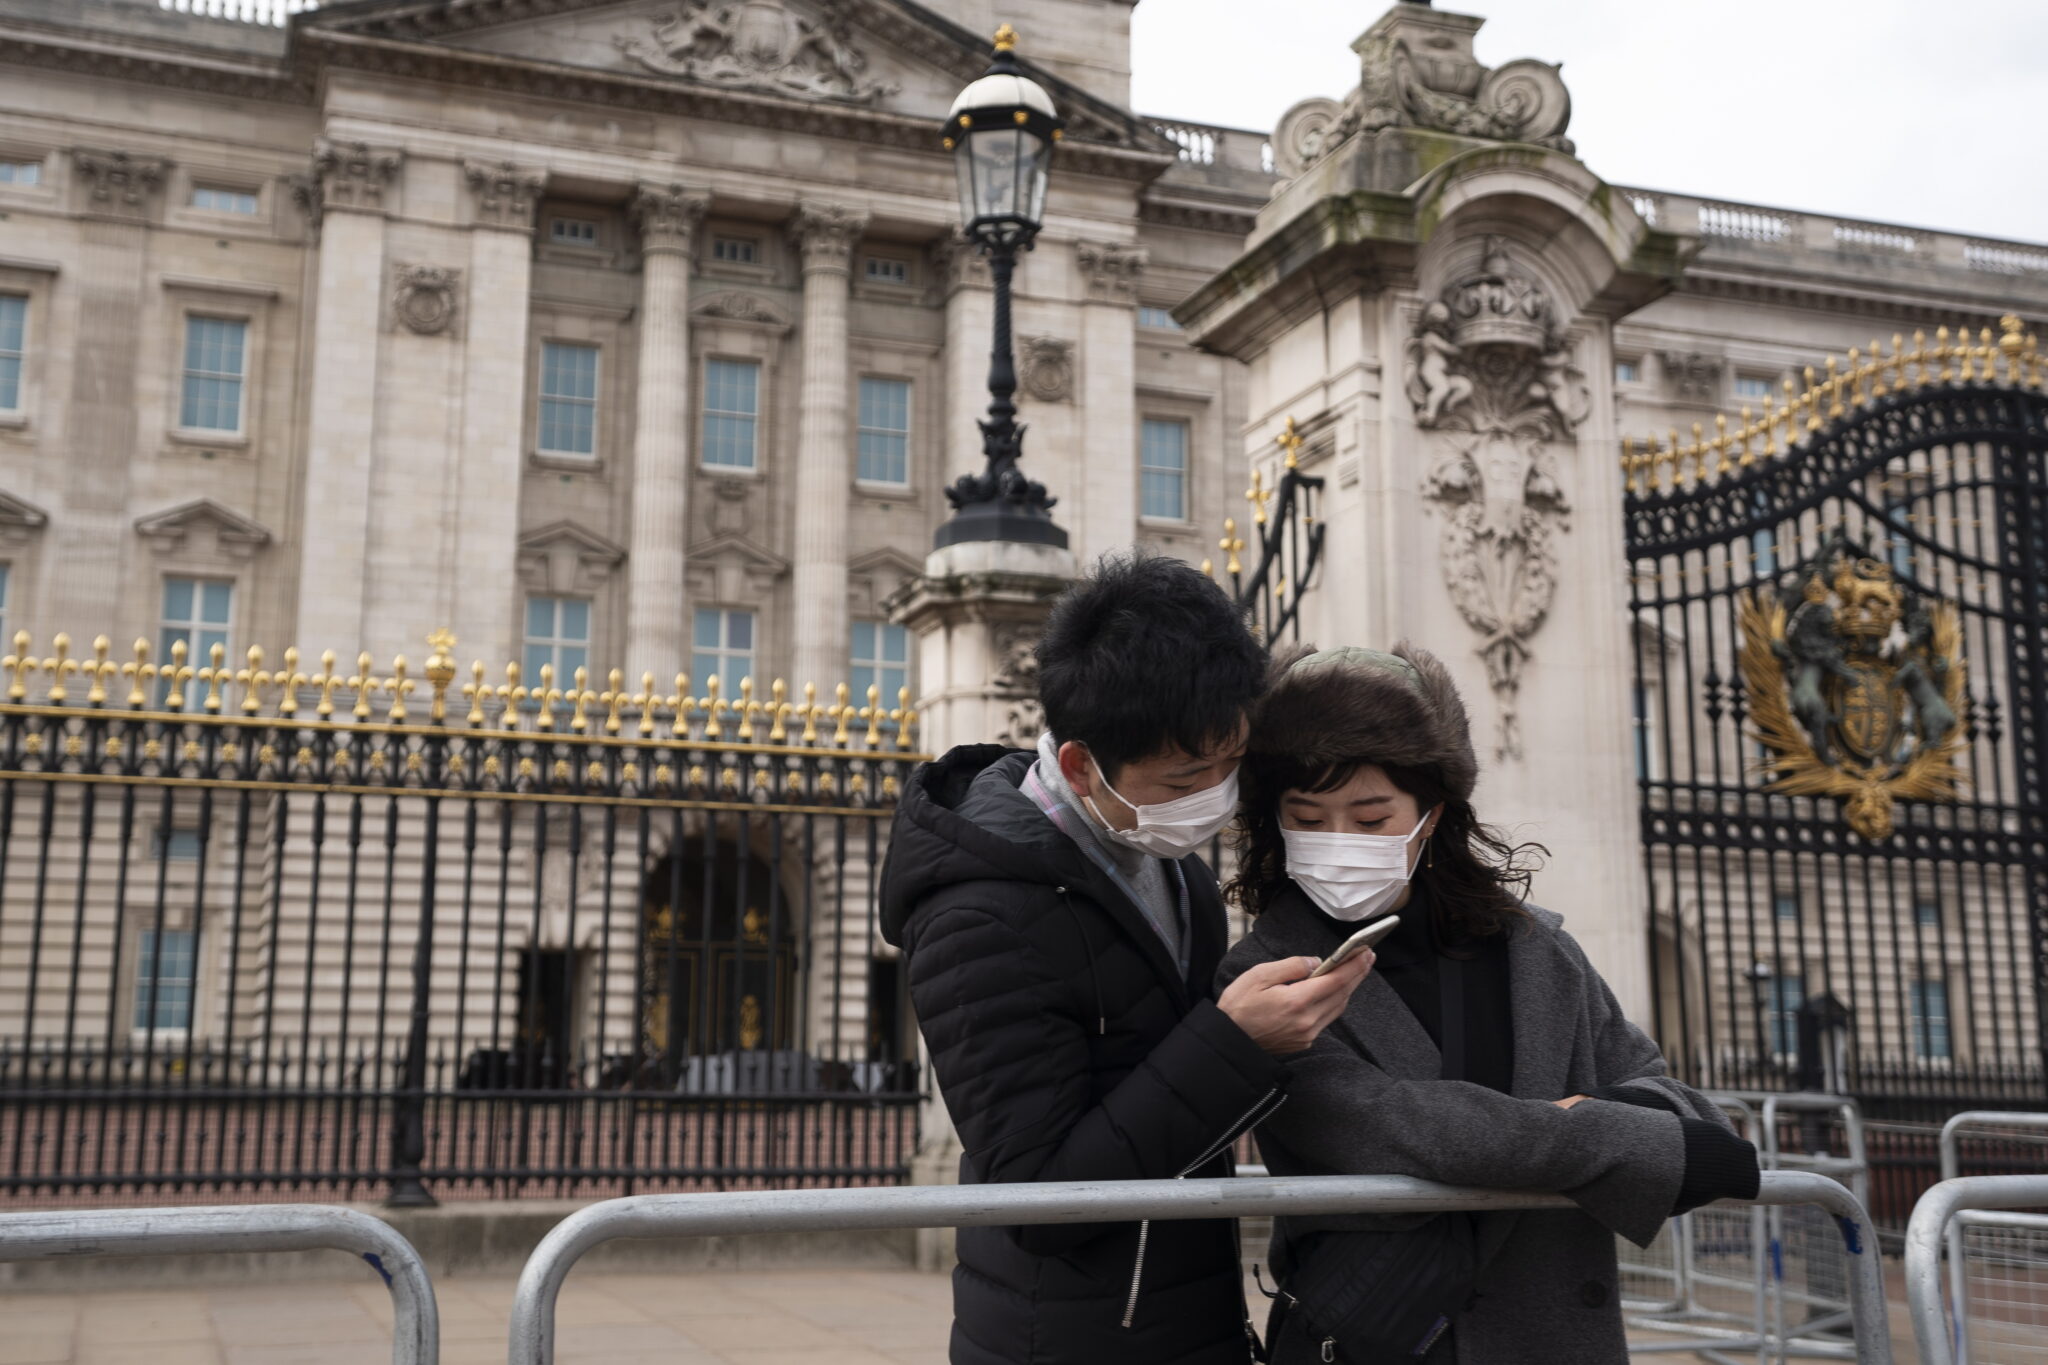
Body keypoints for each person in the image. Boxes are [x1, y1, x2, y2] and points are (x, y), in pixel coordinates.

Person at [880, 554, 1373, 1365]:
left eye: (1231, 765)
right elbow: (1038, 1201)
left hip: (1191, 1314)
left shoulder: (1175, 866)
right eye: (1185, 779)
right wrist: (1235, 1041)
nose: (1215, 797)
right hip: (1067, 1340)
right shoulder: (978, 915)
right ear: (1081, 765)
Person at [1219, 643, 1760, 1365]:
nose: (1338, 841)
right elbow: (1401, 1129)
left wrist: (1593, 1120)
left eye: (1372, 819)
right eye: (1308, 819)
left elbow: (1677, 1101)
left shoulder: (1537, 948)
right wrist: (1601, 1128)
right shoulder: (1260, 976)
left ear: (1431, 816)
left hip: (1553, 1333)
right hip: (1384, 1340)